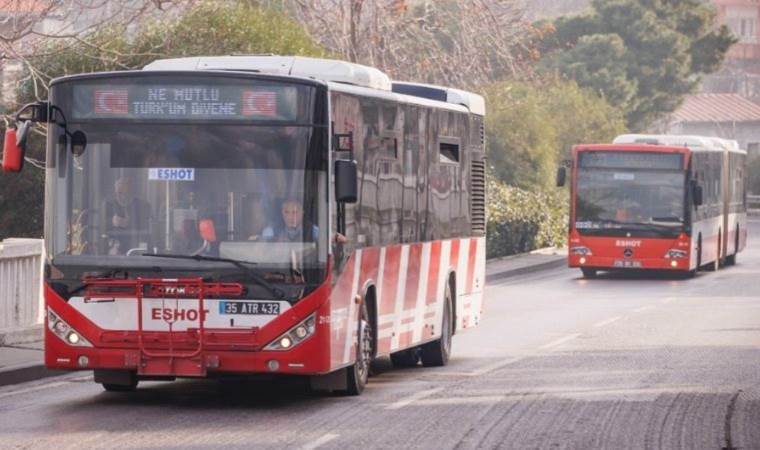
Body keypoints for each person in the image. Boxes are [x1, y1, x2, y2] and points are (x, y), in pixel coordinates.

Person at [102, 177, 151, 255]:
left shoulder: (142, 206)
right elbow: (99, 228)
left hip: (136, 248)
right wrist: (112, 222)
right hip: (113, 250)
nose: (121, 196)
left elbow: (148, 228)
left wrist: (130, 223)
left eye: (124, 192)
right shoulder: (108, 205)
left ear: (131, 191)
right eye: (118, 193)